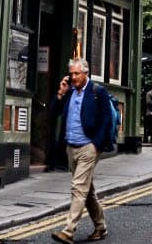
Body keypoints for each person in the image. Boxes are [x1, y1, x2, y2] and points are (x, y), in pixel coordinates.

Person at [51, 57, 110, 243]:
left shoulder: (97, 92)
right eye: (72, 73)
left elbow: (107, 120)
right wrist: (60, 94)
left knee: (78, 188)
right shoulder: (69, 92)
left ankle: (68, 231)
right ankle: (100, 227)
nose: (74, 77)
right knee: (87, 190)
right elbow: (54, 112)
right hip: (71, 147)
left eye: (77, 73)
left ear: (86, 73)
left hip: (88, 147)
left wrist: (96, 144)